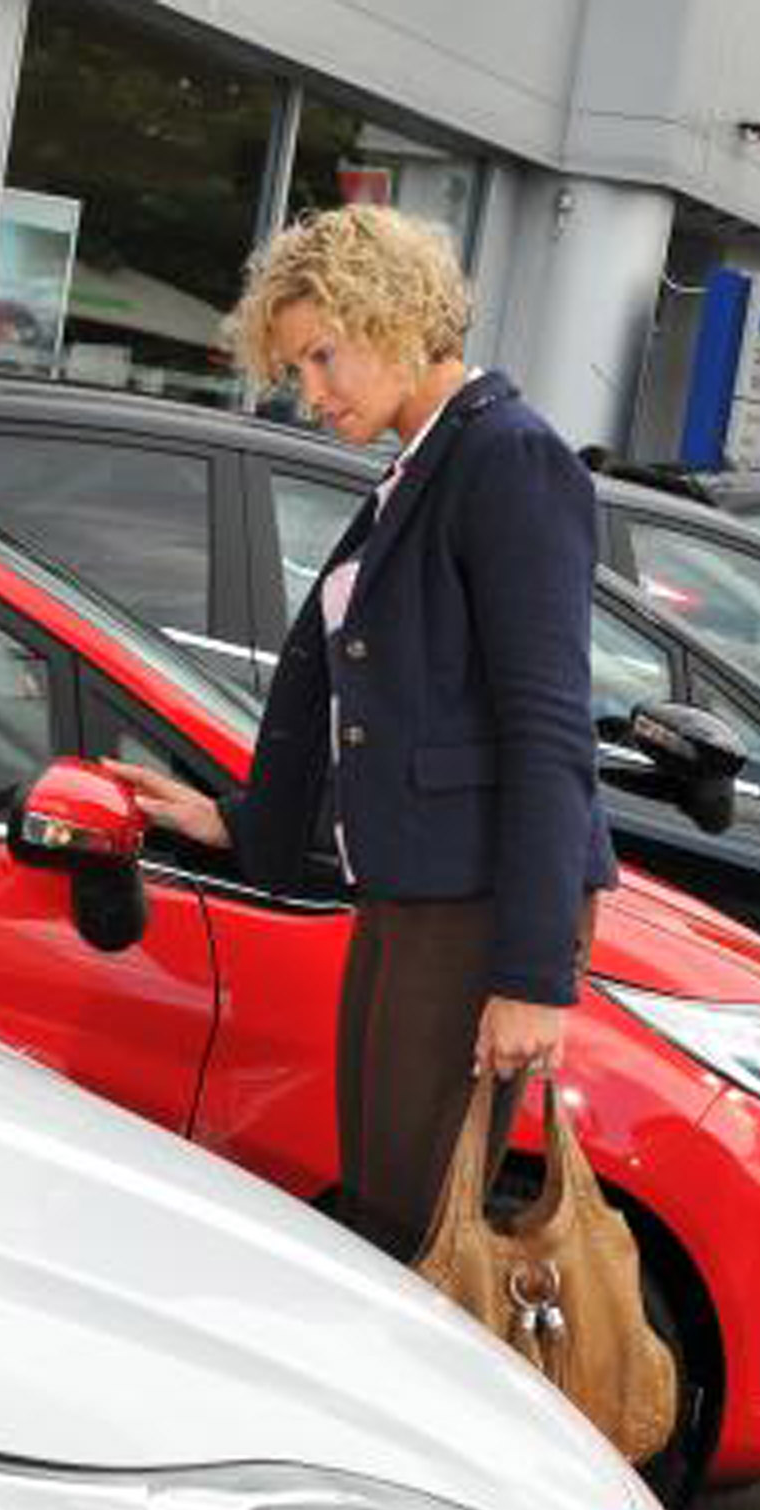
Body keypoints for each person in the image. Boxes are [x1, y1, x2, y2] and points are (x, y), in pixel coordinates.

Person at [107, 205, 616, 1265]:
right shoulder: (425, 464)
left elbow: (548, 728)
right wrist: (240, 819)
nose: (314, 391)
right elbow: (378, 714)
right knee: (391, 1200)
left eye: (322, 356)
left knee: (416, 1223)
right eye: (297, 368)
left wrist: (531, 975)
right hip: (416, 897)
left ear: (393, 316)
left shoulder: (509, 461)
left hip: (473, 912)